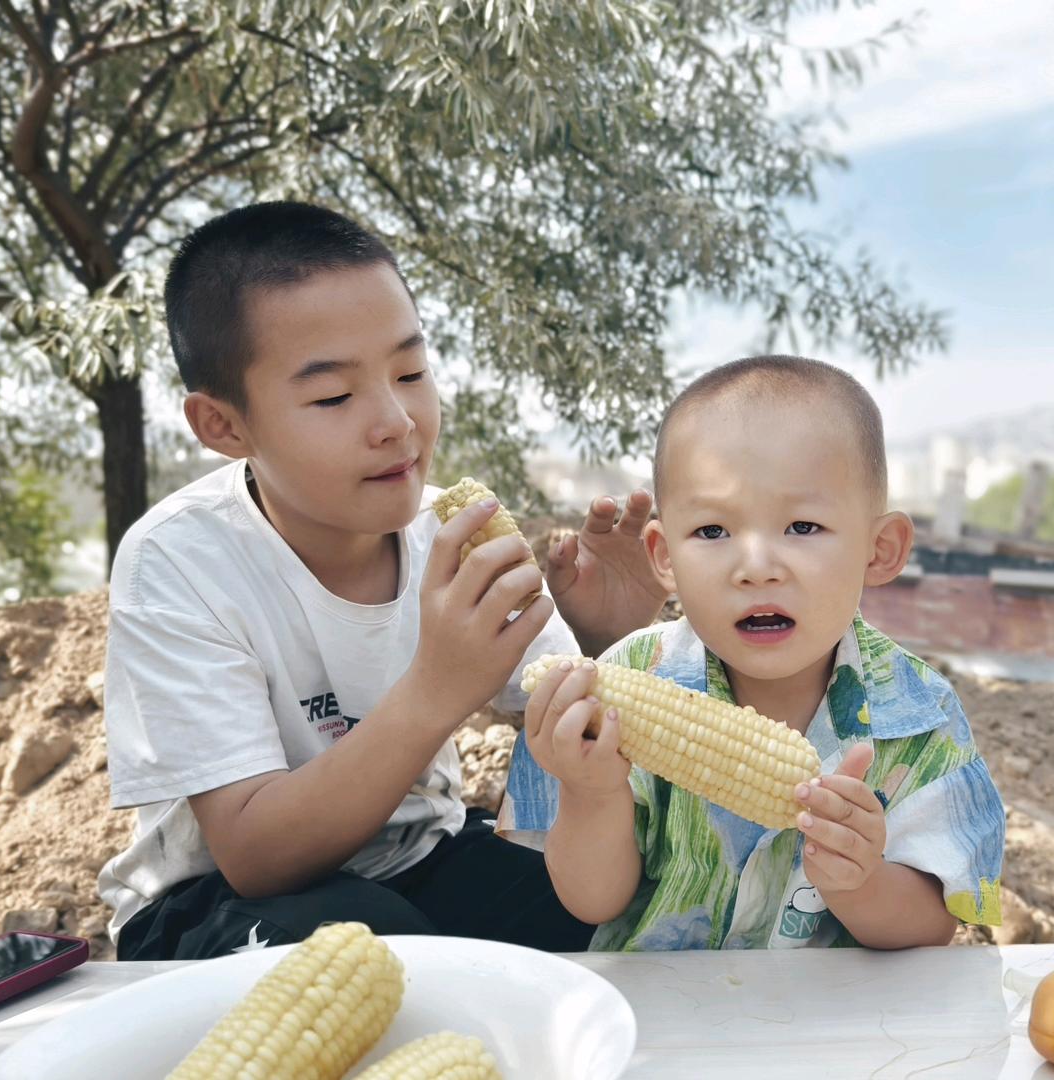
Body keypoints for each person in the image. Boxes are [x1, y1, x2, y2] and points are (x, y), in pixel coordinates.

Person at [97, 201, 666, 960]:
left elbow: (567, 717)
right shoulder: (177, 561)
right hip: (213, 903)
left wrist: (614, 641)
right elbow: (254, 854)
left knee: (618, 921)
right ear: (224, 426)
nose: (396, 420)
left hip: (417, 856)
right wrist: (436, 689)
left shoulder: (454, 537)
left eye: (410, 372)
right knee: (367, 942)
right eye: (333, 396)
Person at [500, 356, 1005, 950]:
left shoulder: (924, 722)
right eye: (713, 532)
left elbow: (931, 925)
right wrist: (592, 794)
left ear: (880, 549)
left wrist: (861, 882)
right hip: (663, 1020)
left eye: (802, 526)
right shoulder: (621, 682)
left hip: (835, 1029)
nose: (757, 568)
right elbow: (592, 902)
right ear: (663, 556)